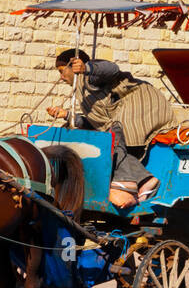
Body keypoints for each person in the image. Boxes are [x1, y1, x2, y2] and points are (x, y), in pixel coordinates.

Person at [46, 49, 175, 210]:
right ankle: (145, 179)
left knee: (113, 136)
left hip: (143, 104)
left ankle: (128, 180)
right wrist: (67, 115)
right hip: (120, 114)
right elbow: (95, 123)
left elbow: (111, 68)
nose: (61, 77)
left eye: (62, 71)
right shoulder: (81, 91)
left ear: (73, 66)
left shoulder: (89, 77)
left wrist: (87, 68)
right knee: (106, 137)